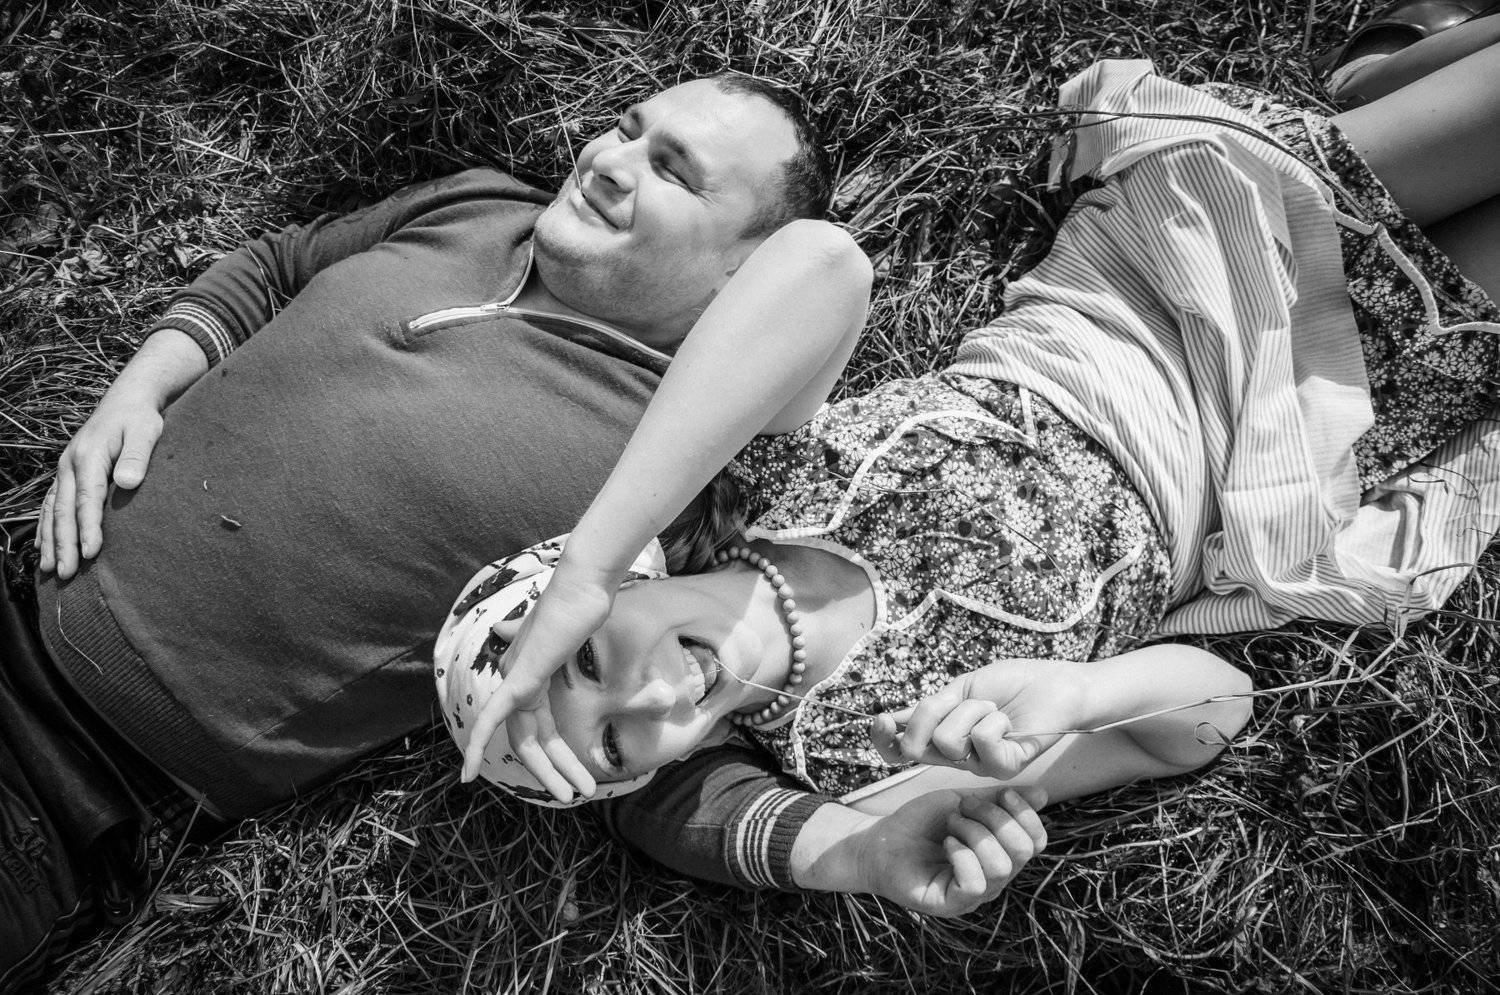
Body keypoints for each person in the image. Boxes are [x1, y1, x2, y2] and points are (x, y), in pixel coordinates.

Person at [2, 74, 996, 994]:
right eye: (626, 127)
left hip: (80, 781)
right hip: (23, 588)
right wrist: (140, 388)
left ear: (743, 267)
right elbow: (275, 268)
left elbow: (653, 754)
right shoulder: (477, 202)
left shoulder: (667, 482)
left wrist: (846, 848)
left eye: (673, 171)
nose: (609, 160)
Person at [449, 33, 1500, 877]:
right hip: (1302, 436)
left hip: (1157, 271)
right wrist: (1081, 694)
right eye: (617, 747)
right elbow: (1213, 709)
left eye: (589, 662)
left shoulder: (748, 479)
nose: (650, 699)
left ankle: (1404, 60)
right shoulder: (869, 758)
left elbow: (821, 261)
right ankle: (1403, 55)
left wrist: (589, 563)